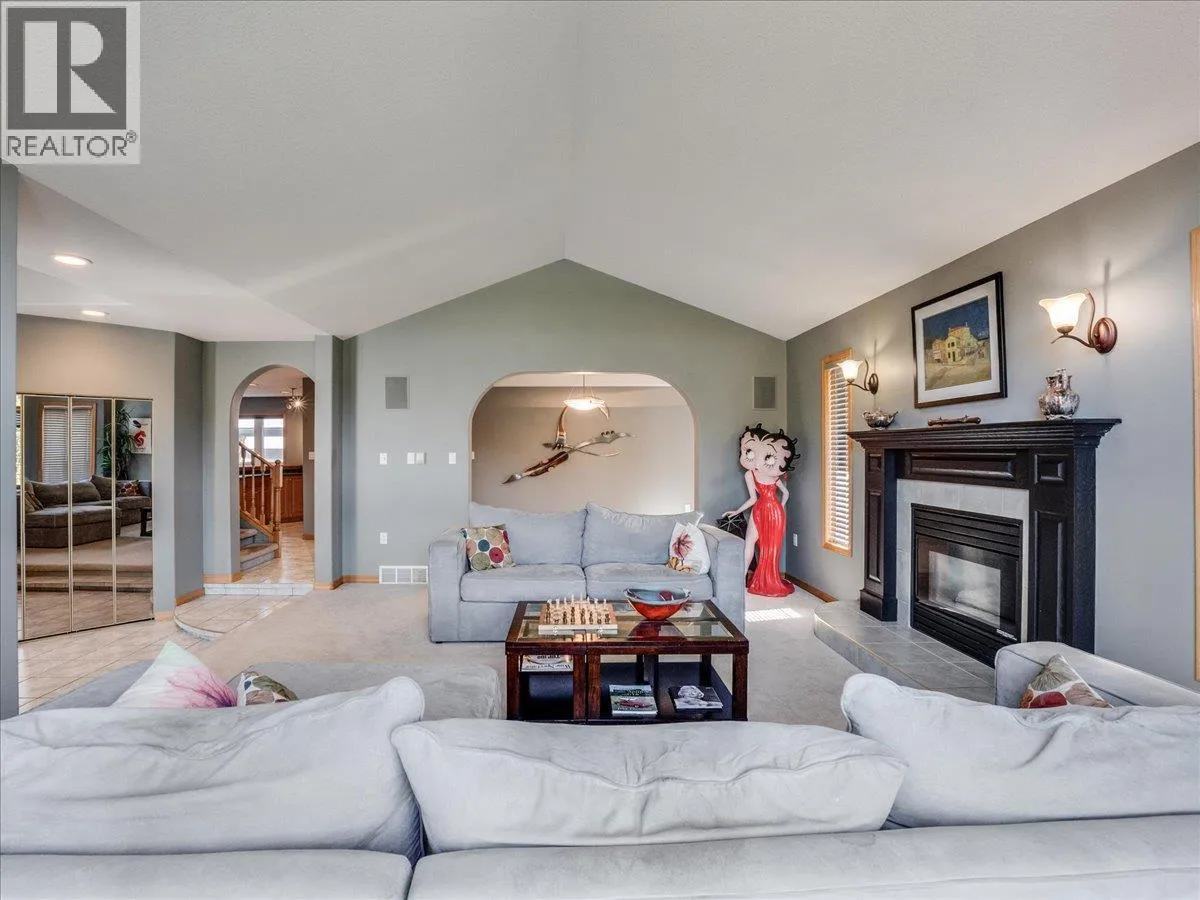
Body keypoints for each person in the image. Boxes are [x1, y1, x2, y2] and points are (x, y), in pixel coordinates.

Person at [723, 424, 798, 597]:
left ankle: (742, 579)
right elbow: (786, 493)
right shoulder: (768, 475)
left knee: (755, 544)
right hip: (773, 511)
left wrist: (736, 511)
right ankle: (754, 578)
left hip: (762, 509)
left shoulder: (752, 474)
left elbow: (753, 499)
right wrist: (781, 508)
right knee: (766, 546)